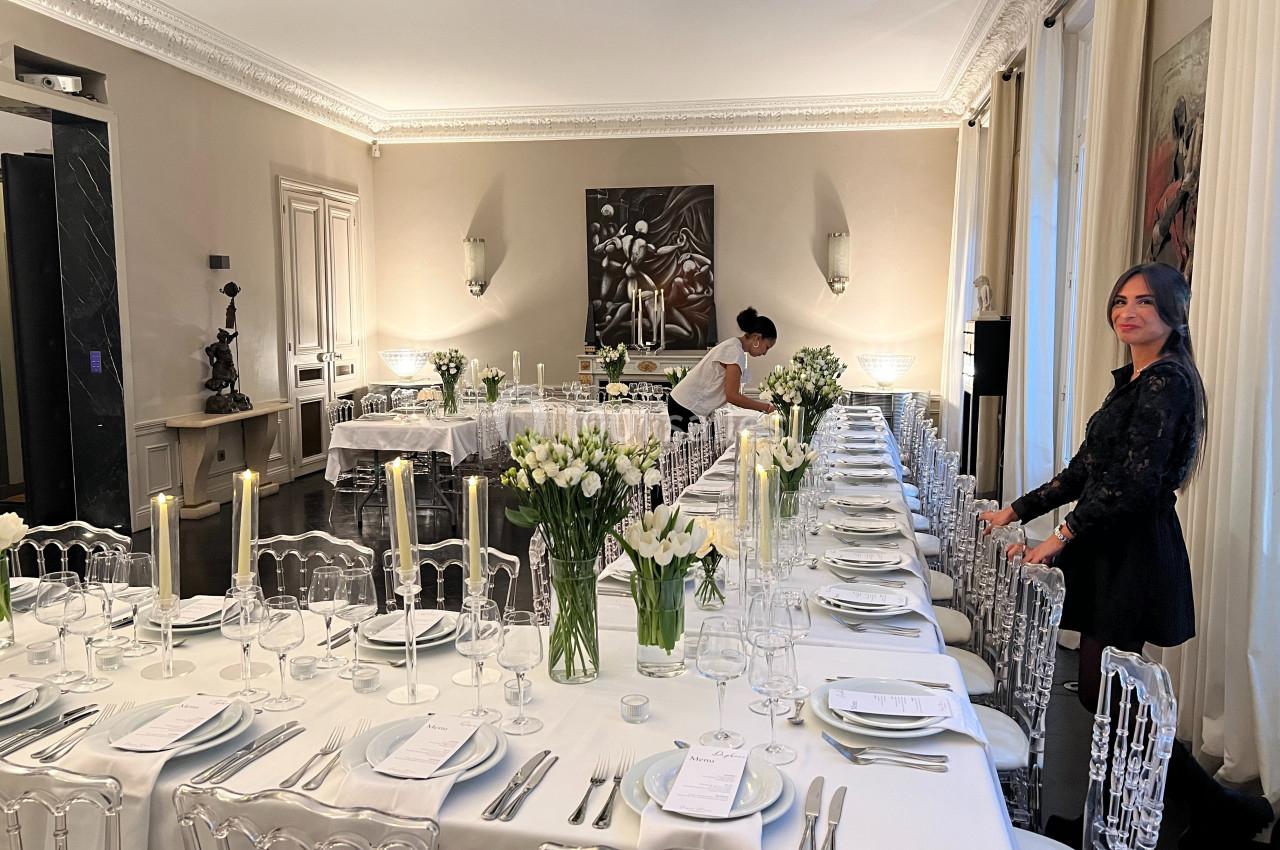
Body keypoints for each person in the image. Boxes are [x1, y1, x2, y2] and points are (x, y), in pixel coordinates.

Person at [981, 263, 1274, 848]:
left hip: (1135, 548)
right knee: (1105, 688)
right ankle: (1127, 809)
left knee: (1104, 687)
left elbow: (1131, 486)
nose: (1127, 311)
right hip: (1108, 545)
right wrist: (1014, 511)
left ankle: (1194, 806)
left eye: (1144, 301)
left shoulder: (1167, 381)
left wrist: (1058, 538)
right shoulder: (1136, 380)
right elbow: (1087, 471)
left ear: (1173, 313)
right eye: (1120, 301)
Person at [667, 306, 776, 432]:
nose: (765, 353)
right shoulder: (735, 351)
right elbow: (732, 396)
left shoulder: (735, 346)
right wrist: (766, 407)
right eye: (767, 347)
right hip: (684, 405)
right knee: (687, 449)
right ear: (757, 338)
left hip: (683, 403)